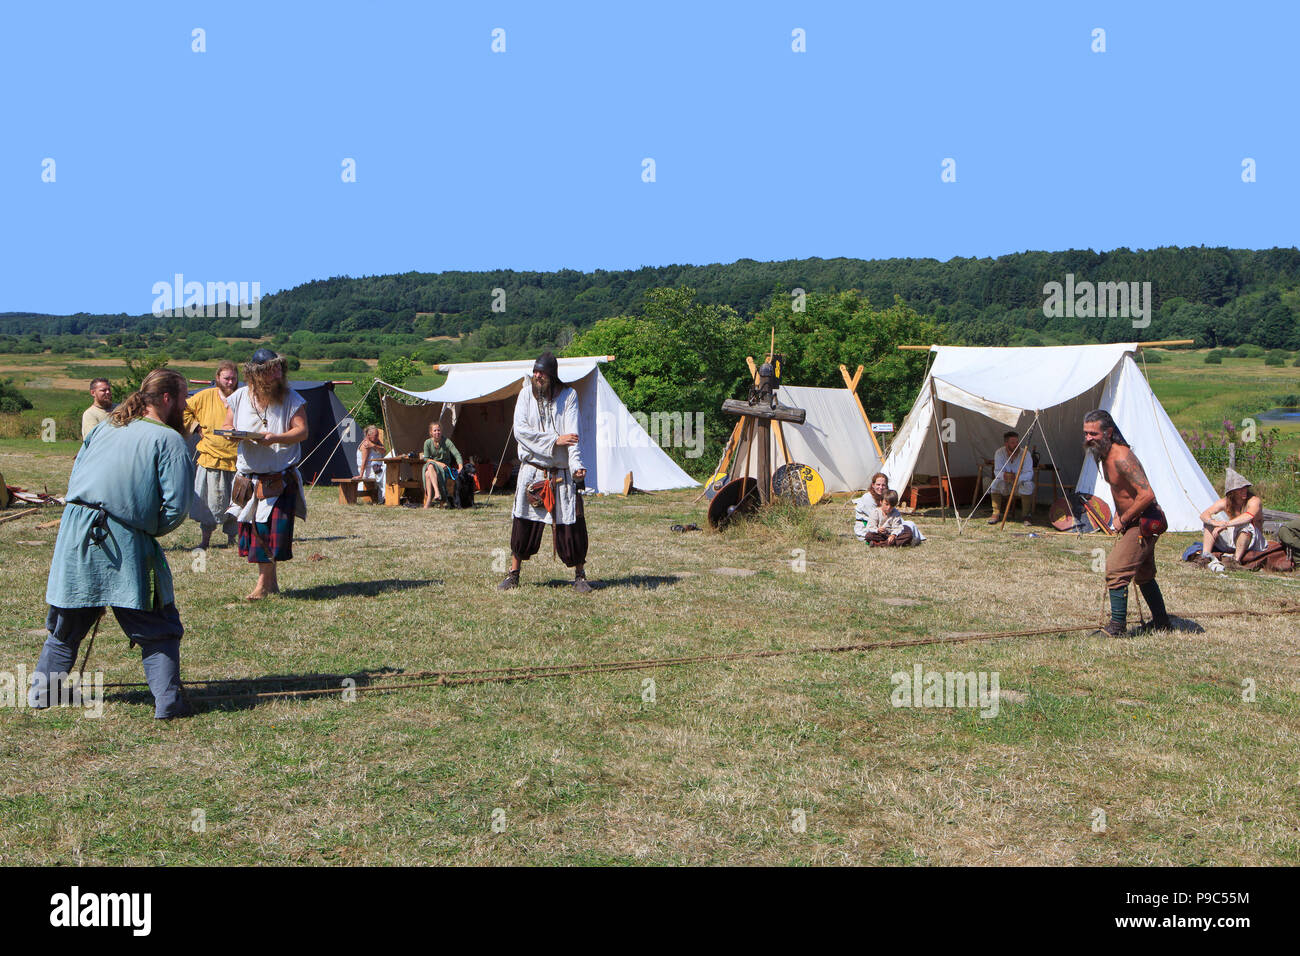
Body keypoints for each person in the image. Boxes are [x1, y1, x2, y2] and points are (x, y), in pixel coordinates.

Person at [29, 369, 194, 719]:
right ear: (166, 399)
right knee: (156, 622)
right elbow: (177, 508)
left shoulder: (107, 426)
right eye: (183, 397)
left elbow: (77, 477)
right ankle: (169, 704)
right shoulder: (168, 440)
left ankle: (42, 695)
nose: (186, 404)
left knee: (67, 623)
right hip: (123, 539)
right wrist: (145, 528)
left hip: (76, 536)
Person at [498, 351, 592, 593]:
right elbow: (521, 432)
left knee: (572, 525)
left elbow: (573, 436)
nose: (537, 376)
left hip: (561, 473)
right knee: (522, 523)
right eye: (535, 372)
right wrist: (553, 441)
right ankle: (513, 573)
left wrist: (576, 465)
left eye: (542, 372)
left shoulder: (569, 396)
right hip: (533, 472)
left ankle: (580, 576)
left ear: (552, 375)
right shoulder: (524, 396)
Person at [222, 349, 308, 601]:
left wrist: (277, 438)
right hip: (249, 478)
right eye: (272, 370)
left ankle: (262, 585)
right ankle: (271, 584)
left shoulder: (292, 398)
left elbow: (302, 431)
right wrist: (232, 432)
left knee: (267, 532)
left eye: (280, 369)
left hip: (278, 479)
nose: (278, 375)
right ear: (257, 375)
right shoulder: (239, 397)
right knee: (257, 531)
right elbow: (228, 424)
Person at [1084, 409, 1170, 636]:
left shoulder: (1122, 457)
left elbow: (1147, 494)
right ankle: (1162, 622)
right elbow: (1123, 492)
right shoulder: (1104, 455)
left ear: (1109, 432)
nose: (1088, 438)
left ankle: (1117, 627)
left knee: (1115, 568)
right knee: (1143, 574)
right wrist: (1117, 514)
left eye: (1093, 433)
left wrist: (1123, 518)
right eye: (1086, 434)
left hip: (1143, 522)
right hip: (1134, 520)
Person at [184, 360, 240, 549]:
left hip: (238, 459)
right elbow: (183, 410)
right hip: (211, 458)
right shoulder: (205, 396)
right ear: (217, 378)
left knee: (237, 501)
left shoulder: (242, 397)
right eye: (226, 378)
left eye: (233, 378)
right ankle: (205, 540)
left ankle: (233, 539)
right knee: (210, 502)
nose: (230, 382)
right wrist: (196, 426)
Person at [1199, 469, 1265, 566]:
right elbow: (1204, 514)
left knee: (1246, 528)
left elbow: (1248, 517)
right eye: (1240, 489)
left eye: (1245, 488)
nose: (1244, 491)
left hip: (1254, 540)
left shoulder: (1254, 501)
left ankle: (1235, 561)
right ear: (1232, 492)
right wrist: (1214, 523)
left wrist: (1225, 524)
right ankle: (1205, 557)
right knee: (1208, 524)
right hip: (1234, 537)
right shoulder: (1225, 502)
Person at [988, 431, 1035, 525]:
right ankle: (995, 513)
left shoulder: (1025, 453)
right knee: (995, 483)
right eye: (1013, 443)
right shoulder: (999, 453)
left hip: (1019, 485)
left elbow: (1029, 473)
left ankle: (1026, 515)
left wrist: (1017, 477)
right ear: (1006, 444)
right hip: (1005, 485)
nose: (1016, 445)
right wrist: (1004, 475)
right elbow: (997, 471)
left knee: (1028, 485)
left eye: (1017, 442)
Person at [421, 422, 462, 508]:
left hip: (444, 467)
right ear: (431, 432)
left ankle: (429, 500)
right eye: (435, 430)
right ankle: (436, 492)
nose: (437, 432)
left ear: (441, 431)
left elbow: (456, 453)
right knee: (430, 466)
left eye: (438, 430)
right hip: (432, 465)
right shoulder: (427, 443)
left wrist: (460, 466)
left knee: (428, 473)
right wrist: (438, 463)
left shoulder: (446, 441)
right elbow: (426, 458)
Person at [357, 425, 387, 493]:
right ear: (368, 435)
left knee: (390, 470)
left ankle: (388, 496)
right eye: (375, 435)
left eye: (377, 435)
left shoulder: (376, 442)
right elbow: (364, 461)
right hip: (369, 471)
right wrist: (361, 475)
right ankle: (385, 496)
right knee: (386, 472)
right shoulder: (366, 445)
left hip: (377, 469)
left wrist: (374, 446)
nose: (377, 437)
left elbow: (383, 450)